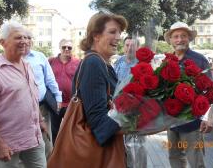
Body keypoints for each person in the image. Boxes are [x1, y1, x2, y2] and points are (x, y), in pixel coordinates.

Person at [0, 22, 47, 168]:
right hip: (7, 145)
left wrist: (40, 120)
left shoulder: (27, 65)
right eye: (18, 38)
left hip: (33, 139)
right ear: (3, 43)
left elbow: (31, 97)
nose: (24, 41)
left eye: (26, 37)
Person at [68, 12, 127, 166]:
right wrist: (137, 123)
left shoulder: (103, 62)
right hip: (97, 155)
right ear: (96, 35)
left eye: (119, 32)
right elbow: (98, 122)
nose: (119, 37)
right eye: (113, 32)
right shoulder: (93, 63)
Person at [164, 21, 213, 168]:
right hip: (171, 119)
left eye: (183, 36)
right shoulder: (167, 60)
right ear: (171, 40)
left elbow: (210, 91)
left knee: (195, 160)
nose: (179, 39)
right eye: (176, 36)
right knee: (174, 157)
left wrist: (207, 117)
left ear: (189, 38)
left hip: (192, 120)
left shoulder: (199, 60)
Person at [23, 30, 62, 159]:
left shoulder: (40, 56)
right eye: (23, 38)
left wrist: (58, 97)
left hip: (41, 107)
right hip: (20, 109)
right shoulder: (12, 58)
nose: (26, 41)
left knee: (45, 140)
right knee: (26, 143)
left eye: (29, 37)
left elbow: (50, 79)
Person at [114, 36, 146, 168]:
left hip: (137, 110)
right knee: (123, 145)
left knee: (138, 146)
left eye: (132, 45)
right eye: (127, 45)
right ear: (123, 46)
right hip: (119, 109)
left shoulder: (142, 64)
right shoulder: (118, 62)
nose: (129, 48)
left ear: (137, 47)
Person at [48, 39, 80, 144]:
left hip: (71, 103)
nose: (66, 49)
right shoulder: (51, 61)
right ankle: (54, 153)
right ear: (60, 48)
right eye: (64, 47)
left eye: (69, 47)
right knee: (54, 130)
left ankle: (68, 152)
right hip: (55, 103)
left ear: (72, 49)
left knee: (71, 130)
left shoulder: (78, 63)